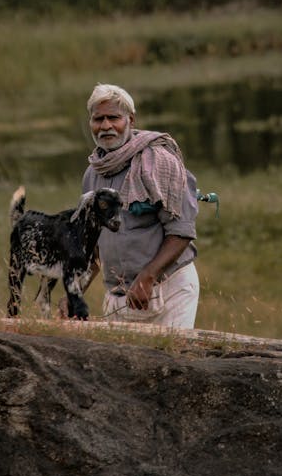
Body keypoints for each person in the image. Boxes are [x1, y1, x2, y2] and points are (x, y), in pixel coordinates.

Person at [82, 83, 200, 328]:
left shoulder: (158, 162)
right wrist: (74, 293)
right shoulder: (93, 174)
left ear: (130, 120)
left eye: (114, 117)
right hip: (120, 296)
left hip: (169, 289)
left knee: (174, 363)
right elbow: (91, 245)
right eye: (98, 119)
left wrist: (148, 276)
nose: (105, 126)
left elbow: (181, 231)